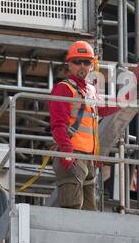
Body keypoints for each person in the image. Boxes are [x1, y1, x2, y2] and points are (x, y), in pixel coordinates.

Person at [48, 41, 121, 210]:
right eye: (77, 61)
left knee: (89, 212)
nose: (82, 66)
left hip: (87, 159)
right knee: (72, 209)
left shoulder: (90, 90)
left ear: (92, 64)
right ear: (69, 64)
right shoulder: (63, 89)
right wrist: (67, 153)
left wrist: (125, 100)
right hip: (72, 155)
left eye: (86, 62)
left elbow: (101, 109)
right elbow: (58, 125)